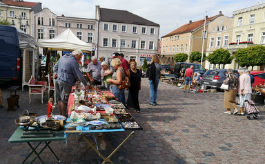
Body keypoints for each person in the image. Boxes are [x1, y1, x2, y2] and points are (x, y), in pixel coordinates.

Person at [53, 49, 88, 117]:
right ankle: (63, 116)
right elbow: (78, 74)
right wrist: (85, 84)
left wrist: (55, 73)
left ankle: (60, 115)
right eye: (80, 57)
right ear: (76, 55)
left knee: (59, 99)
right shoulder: (73, 61)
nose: (80, 59)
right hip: (65, 81)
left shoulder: (62, 57)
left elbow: (55, 67)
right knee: (64, 100)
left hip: (57, 80)